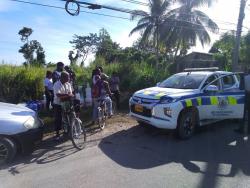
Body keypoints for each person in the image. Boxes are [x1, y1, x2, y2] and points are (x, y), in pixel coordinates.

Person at [53, 71, 73, 140]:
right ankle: (57, 134)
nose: (69, 78)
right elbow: (58, 95)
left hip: (66, 103)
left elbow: (70, 92)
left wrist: (68, 95)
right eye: (68, 77)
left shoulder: (68, 84)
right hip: (57, 104)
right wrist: (67, 95)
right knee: (58, 119)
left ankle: (67, 132)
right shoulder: (56, 84)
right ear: (63, 77)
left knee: (67, 118)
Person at [235, 69, 250, 134]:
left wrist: (241, 77)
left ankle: (241, 129)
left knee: (242, 114)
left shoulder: (245, 77)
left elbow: (241, 88)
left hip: (246, 96)